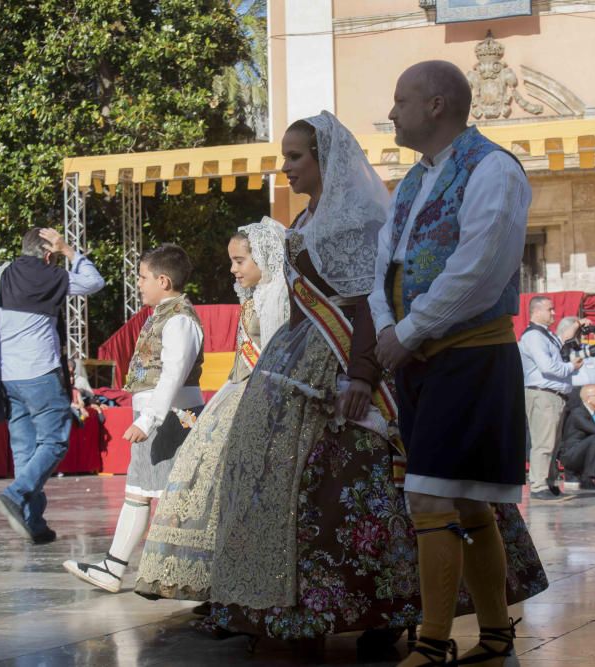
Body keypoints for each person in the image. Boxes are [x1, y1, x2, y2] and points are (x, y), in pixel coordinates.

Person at [208, 111, 419, 645]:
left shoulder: (356, 221)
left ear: (326, 159)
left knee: (348, 481)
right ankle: (297, 607)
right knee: (278, 476)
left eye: (296, 157)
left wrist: (360, 374)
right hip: (297, 357)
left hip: (345, 363)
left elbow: (370, 304)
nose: (286, 168)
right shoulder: (304, 220)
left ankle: (383, 608)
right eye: (285, 158)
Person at [370, 60, 533, 666]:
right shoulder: (412, 181)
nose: (392, 113)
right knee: (465, 499)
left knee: (432, 496)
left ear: (436, 105)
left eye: (400, 100)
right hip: (418, 358)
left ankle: (434, 642)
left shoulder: (494, 168)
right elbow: (383, 265)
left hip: (471, 357)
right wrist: (390, 331)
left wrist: (408, 330)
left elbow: (481, 268)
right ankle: (494, 635)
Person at [135, 217, 289, 603]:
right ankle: (198, 578)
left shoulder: (274, 297)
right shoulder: (250, 296)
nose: (233, 270)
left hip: (220, 403)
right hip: (226, 397)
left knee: (163, 487)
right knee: (176, 487)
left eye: (240, 261)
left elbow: (174, 373)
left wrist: (149, 417)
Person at [64, 243, 204, 591]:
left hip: (170, 416)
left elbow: (172, 374)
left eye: (142, 278)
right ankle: (115, 567)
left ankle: (192, 575)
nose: (139, 284)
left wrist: (148, 420)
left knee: (170, 497)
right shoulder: (164, 314)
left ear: (163, 280)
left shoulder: (179, 320)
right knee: (141, 491)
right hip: (160, 415)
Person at [0, 227, 104, 545]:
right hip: (42, 373)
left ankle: (33, 520)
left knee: (24, 449)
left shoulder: (0, 274)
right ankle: (16, 494)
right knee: (54, 442)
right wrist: (71, 252)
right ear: (49, 254)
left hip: (9, 375)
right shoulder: (52, 275)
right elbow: (94, 282)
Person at [519, 296, 583, 501]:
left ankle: (549, 483)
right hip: (543, 394)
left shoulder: (546, 336)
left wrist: (573, 332)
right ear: (536, 311)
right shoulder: (534, 337)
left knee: (553, 444)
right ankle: (538, 486)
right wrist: (571, 367)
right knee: (543, 443)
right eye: (550, 309)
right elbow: (548, 366)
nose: (554, 313)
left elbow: (560, 348)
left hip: (553, 396)